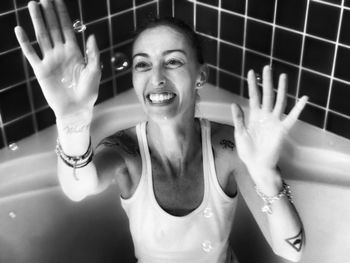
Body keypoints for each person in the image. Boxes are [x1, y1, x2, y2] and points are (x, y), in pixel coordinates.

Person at [15, 0, 308, 262]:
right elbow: (77, 188)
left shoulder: (229, 146)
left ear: (200, 76)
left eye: (173, 61)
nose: (156, 78)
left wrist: (267, 176)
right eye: (143, 64)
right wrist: (72, 123)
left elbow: (291, 251)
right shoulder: (125, 149)